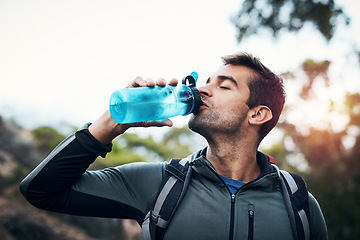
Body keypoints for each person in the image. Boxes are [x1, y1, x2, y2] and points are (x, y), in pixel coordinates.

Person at [20, 52, 328, 240]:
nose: (202, 90)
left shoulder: (299, 205)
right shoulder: (160, 184)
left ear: (257, 114)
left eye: (222, 86)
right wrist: (110, 125)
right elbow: (40, 191)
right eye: (205, 82)